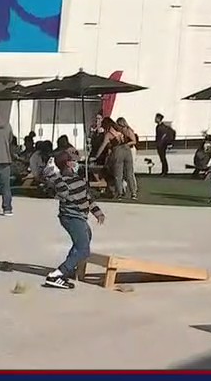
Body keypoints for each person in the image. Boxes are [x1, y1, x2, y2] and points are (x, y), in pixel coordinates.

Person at [43, 151, 106, 290]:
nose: (76, 163)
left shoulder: (79, 179)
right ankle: (56, 275)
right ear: (68, 164)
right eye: (73, 160)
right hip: (71, 217)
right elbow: (62, 193)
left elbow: (87, 198)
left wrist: (97, 212)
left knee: (85, 239)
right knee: (84, 249)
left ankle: (69, 267)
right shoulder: (62, 182)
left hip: (79, 217)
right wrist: (54, 176)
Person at [114, 117, 140, 199]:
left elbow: (134, 141)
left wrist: (126, 144)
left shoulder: (128, 130)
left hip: (130, 149)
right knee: (121, 173)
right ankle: (122, 190)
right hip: (122, 150)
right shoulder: (120, 132)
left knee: (129, 172)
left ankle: (133, 190)